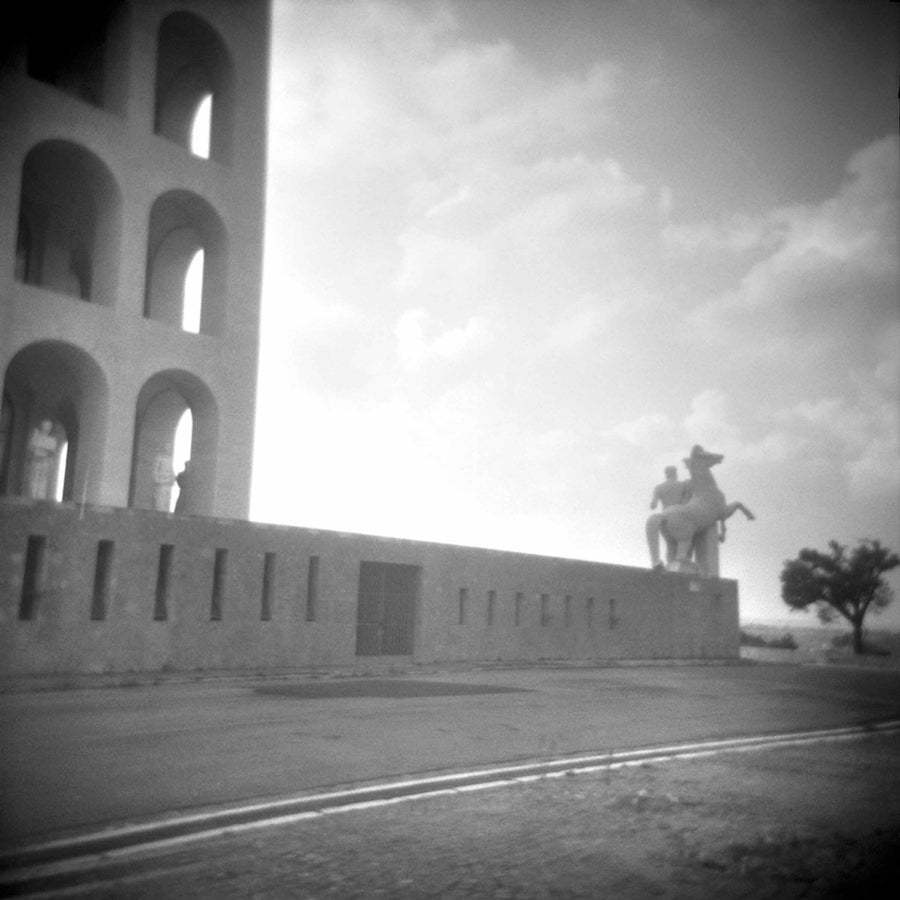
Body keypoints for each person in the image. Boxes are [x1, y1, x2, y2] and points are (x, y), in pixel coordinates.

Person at [26, 420, 59, 499]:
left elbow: (52, 451)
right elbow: (32, 448)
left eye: (48, 426)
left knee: (43, 482)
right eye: (45, 425)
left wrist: (41, 449)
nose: (46, 428)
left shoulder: (52, 440)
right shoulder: (36, 437)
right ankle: (33, 498)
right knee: (34, 480)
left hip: (45, 463)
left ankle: (40, 499)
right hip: (36, 461)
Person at [153, 443, 176, 512]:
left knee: (167, 501)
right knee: (160, 502)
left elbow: (171, 469)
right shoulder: (159, 458)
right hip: (161, 482)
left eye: (170, 448)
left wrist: (173, 478)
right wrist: (157, 480)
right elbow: (155, 469)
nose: (168, 449)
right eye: (167, 447)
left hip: (168, 482)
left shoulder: (171, 459)